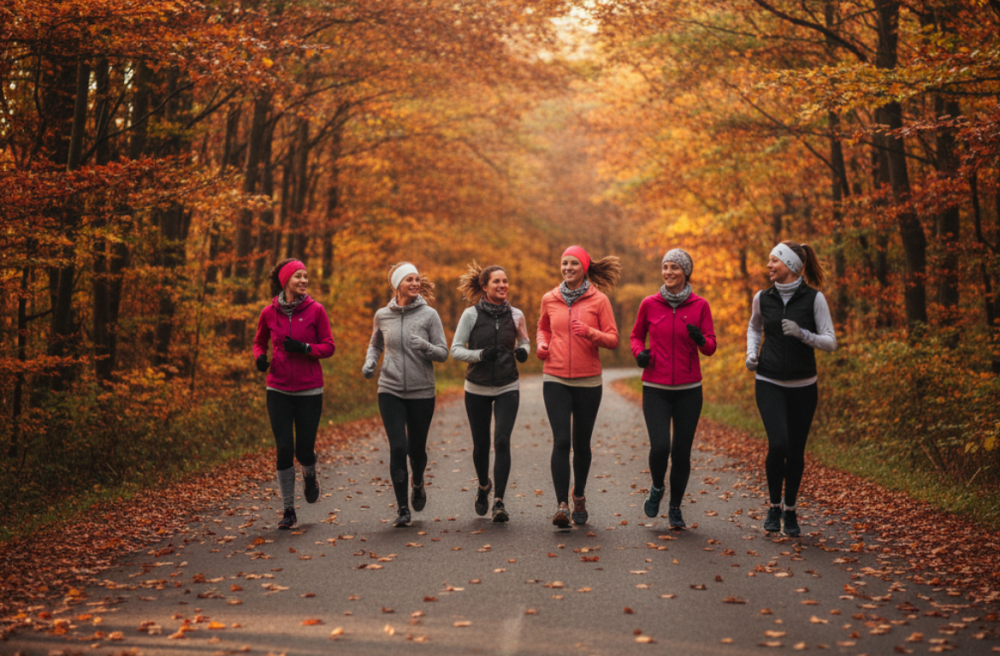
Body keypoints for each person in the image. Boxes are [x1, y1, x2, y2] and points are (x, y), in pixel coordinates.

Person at [746, 241, 837, 537]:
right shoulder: (763, 297)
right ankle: (774, 506)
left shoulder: (814, 299)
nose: (769, 265)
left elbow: (830, 342)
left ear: (792, 267)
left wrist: (803, 334)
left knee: (796, 450)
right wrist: (751, 352)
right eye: (769, 260)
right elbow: (755, 327)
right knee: (779, 444)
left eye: (775, 261)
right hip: (769, 380)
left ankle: (791, 509)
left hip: (803, 385)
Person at [630, 249, 716, 529]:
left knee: (681, 451)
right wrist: (639, 353)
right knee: (660, 447)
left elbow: (711, 347)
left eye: (674, 268)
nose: (668, 272)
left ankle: (676, 508)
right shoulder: (649, 304)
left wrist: (701, 339)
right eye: (665, 267)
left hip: (689, 389)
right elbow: (635, 335)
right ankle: (657, 488)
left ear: (685, 272)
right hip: (655, 386)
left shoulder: (700, 305)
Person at [537, 246, 621, 527]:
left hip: (589, 380)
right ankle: (561, 503)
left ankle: (579, 495)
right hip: (555, 377)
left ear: (584, 267)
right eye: (564, 263)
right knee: (561, 440)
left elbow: (613, 339)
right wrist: (542, 344)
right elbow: (543, 328)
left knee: (581, 443)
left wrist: (591, 333)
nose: (568, 267)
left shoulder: (599, 301)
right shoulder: (550, 298)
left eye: (573, 263)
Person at [363, 262, 449, 527]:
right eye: (409, 279)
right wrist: (370, 362)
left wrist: (424, 346)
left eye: (417, 279)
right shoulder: (382, 315)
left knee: (416, 450)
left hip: (422, 391)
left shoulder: (429, 315)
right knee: (398, 446)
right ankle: (402, 509)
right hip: (389, 389)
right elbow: (375, 344)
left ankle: (418, 482)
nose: (415, 283)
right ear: (397, 285)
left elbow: (443, 353)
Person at [253, 259, 336, 530]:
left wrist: (305, 347)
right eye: (298, 276)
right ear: (285, 280)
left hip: (309, 389)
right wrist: (260, 358)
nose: (304, 281)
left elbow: (329, 347)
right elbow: (259, 342)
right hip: (277, 387)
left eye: (306, 277)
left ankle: (310, 473)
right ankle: (288, 510)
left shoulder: (316, 310)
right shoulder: (268, 312)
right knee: (284, 448)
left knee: (303, 450)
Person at [451, 263, 531, 523]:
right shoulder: (471, 315)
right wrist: (481, 355)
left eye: (505, 281)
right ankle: (484, 486)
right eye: (496, 282)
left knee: (502, 441)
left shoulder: (516, 314)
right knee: (481, 444)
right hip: (477, 387)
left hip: (508, 385)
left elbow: (526, 341)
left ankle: (499, 500)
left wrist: (523, 352)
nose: (502, 286)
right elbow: (456, 349)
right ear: (484, 287)